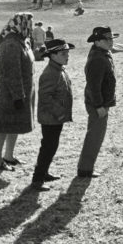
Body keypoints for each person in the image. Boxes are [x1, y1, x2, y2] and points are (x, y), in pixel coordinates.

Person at [0, 12, 36, 171]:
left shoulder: (22, 41)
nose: (30, 27)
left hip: (21, 92)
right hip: (10, 94)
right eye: (28, 23)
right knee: (4, 126)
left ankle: (8, 156)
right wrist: (18, 96)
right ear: (20, 24)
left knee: (14, 125)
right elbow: (11, 72)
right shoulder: (11, 43)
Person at [31, 39, 75, 191]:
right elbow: (46, 98)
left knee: (51, 146)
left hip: (56, 118)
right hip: (51, 118)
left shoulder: (59, 69)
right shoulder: (50, 73)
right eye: (63, 53)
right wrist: (60, 114)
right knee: (48, 147)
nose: (67, 56)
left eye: (67, 53)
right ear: (53, 55)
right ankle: (37, 179)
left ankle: (44, 173)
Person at [77, 26, 119, 178]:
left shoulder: (102, 53)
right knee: (94, 136)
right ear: (98, 41)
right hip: (98, 104)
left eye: (111, 39)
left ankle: (86, 167)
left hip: (101, 103)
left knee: (97, 135)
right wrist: (99, 105)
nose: (111, 42)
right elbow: (94, 86)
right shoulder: (98, 58)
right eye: (107, 39)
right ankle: (85, 169)